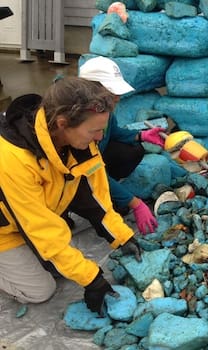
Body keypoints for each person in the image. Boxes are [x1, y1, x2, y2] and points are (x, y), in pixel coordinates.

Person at [0, 77, 142, 315]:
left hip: (31, 217)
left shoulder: (80, 142)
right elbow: (40, 229)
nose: (99, 138)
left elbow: (97, 196)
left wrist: (122, 236)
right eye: (94, 131)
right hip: (6, 231)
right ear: (63, 123)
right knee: (41, 291)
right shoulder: (13, 158)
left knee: (62, 264)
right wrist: (91, 279)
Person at [78, 56, 168, 235]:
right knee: (94, 198)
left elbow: (115, 132)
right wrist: (135, 202)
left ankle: (108, 193)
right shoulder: (79, 128)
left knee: (132, 151)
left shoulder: (105, 110)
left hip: (95, 165)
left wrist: (141, 135)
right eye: (112, 92)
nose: (118, 98)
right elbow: (93, 171)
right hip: (77, 177)